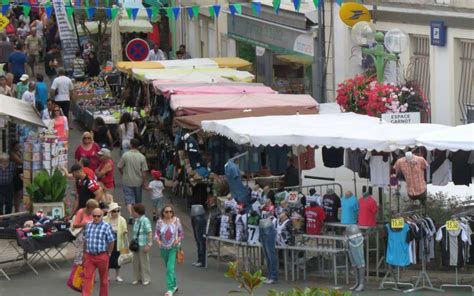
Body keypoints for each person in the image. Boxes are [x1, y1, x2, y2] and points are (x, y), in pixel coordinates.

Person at [82, 208, 115, 296]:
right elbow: (85, 240)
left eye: (98, 216)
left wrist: (109, 253)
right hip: (90, 256)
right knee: (86, 278)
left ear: (102, 216)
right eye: (94, 216)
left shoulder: (106, 226)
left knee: (104, 280)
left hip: (102, 255)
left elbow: (111, 241)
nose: (96, 218)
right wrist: (84, 253)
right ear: (92, 216)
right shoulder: (88, 225)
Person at [118, 138, 148, 224]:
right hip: (138, 181)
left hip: (127, 180)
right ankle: (137, 216)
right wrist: (143, 182)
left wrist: (123, 174)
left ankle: (131, 215)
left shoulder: (125, 155)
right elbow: (144, 171)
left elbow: (119, 166)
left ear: (131, 145)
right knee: (138, 200)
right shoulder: (142, 157)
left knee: (129, 199)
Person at [155, 205, 184, 296]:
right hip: (163, 248)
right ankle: (174, 285)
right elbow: (157, 233)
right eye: (166, 212)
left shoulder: (176, 221)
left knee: (170, 268)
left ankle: (170, 289)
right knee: (168, 267)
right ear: (163, 213)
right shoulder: (159, 222)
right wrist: (158, 241)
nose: (169, 213)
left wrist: (177, 241)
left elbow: (181, 233)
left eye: (170, 211)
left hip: (173, 248)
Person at [103, 202, 127, 282]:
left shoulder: (122, 220)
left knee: (118, 258)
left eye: (117, 210)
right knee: (107, 258)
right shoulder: (105, 219)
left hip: (118, 240)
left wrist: (124, 232)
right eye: (114, 211)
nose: (116, 212)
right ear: (110, 212)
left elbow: (124, 229)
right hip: (108, 241)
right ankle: (107, 275)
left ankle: (117, 275)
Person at [71, 199, 99, 265]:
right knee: (82, 244)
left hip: (92, 232)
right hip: (82, 232)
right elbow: (75, 225)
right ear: (89, 207)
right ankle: (79, 263)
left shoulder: (94, 213)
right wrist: (86, 224)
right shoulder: (81, 212)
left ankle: (90, 262)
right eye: (94, 208)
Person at [131, 203, 153, 286]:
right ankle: (137, 278)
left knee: (144, 262)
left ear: (137, 212)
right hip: (136, 244)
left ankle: (146, 278)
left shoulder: (145, 220)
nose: (132, 213)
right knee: (136, 262)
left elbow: (149, 232)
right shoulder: (136, 220)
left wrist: (148, 244)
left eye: (133, 211)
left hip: (143, 243)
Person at [9, 141, 22, 212]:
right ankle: (16, 210)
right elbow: (20, 161)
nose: (18, 147)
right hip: (14, 175)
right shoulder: (12, 154)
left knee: (18, 193)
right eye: (17, 146)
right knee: (16, 193)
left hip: (18, 174)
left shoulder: (18, 153)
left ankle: (17, 209)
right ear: (13, 147)